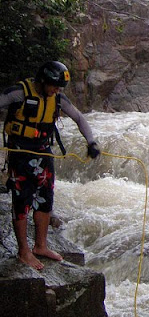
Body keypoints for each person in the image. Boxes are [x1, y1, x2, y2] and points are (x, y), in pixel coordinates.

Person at [1, 61, 100, 270]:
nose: (57, 90)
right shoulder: (19, 93)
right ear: (43, 81)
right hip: (20, 153)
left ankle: (40, 246)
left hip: (43, 153)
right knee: (21, 202)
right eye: (54, 86)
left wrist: (91, 142)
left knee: (45, 199)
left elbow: (79, 118)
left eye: (59, 87)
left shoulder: (57, 98)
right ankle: (23, 252)